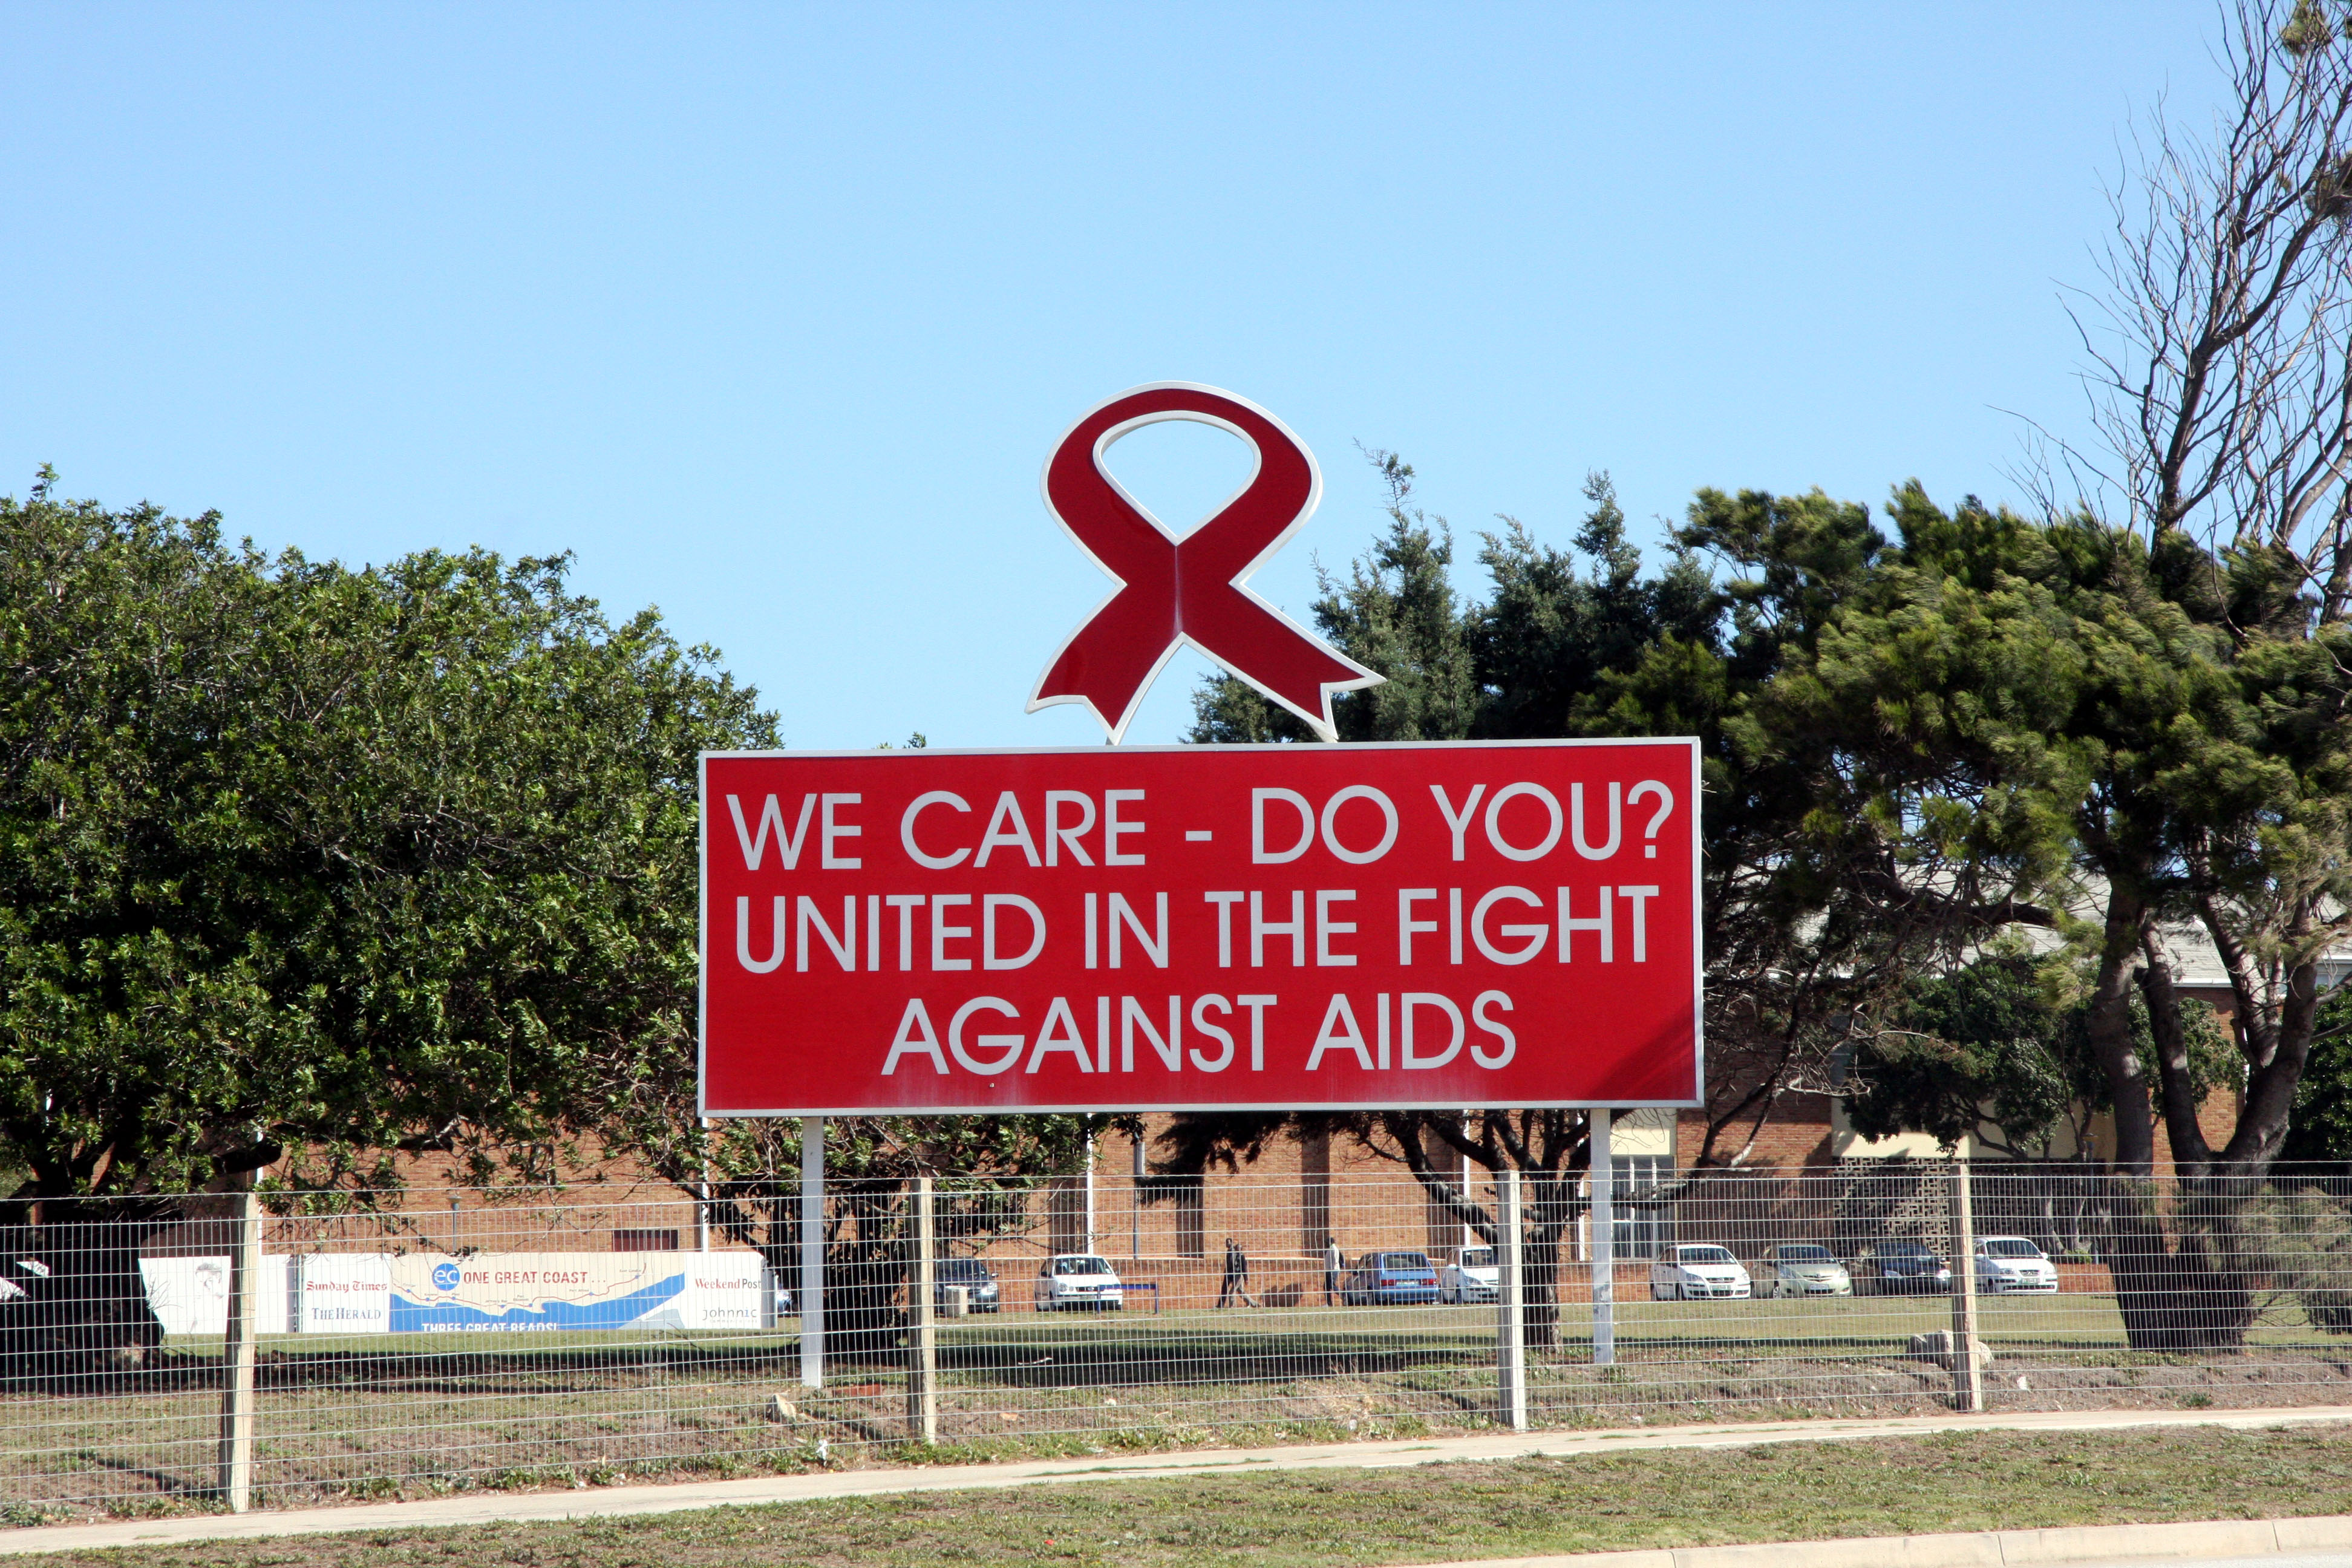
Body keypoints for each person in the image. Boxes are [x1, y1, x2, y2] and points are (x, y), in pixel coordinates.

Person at [1215, 1236, 1256, 1308]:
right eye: (1226, 1242)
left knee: (1232, 1291)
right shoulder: (1230, 1251)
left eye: (1228, 1242)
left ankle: (1230, 1306)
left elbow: (1239, 1266)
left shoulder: (1234, 1252)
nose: (1227, 1244)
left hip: (1232, 1274)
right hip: (1230, 1273)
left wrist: (1245, 1278)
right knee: (1238, 1291)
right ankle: (1253, 1303)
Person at [1324, 1234, 1344, 1306]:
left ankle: (1343, 1295)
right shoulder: (1330, 1249)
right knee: (1326, 1286)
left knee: (1331, 1285)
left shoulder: (1334, 1249)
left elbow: (1335, 1260)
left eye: (1326, 1242)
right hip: (1329, 1271)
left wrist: (1332, 1271)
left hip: (1333, 1270)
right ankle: (1329, 1304)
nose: (1325, 1244)